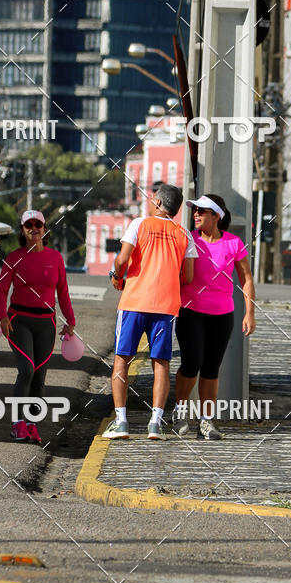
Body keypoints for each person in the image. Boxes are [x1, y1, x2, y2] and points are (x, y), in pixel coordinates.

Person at [103, 183, 198, 441]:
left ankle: (121, 422)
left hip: (134, 301)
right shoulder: (183, 233)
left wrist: (116, 277)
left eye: (151, 199)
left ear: (157, 202)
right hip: (166, 307)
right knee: (162, 364)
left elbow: (122, 259)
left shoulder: (139, 224)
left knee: (122, 359)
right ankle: (155, 424)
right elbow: (188, 276)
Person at [174, 194, 256, 440]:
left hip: (222, 315)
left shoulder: (233, 243)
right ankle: (179, 411)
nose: (196, 214)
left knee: (211, 368)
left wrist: (250, 313)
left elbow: (247, 278)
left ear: (216, 215)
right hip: (190, 311)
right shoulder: (189, 240)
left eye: (202, 211)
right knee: (192, 363)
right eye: (195, 210)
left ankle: (206, 421)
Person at [0, 209, 75, 443]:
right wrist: (2, 317)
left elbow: (63, 292)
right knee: (27, 371)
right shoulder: (13, 258)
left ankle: (31, 424)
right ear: (22, 230)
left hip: (46, 323)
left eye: (37, 224)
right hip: (19, 321)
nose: (34, 228)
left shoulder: (55, 258)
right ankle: (17, 423)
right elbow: (1, 291)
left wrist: (70, 321)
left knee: (39, 376)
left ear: (44, 228)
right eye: (28, 225)